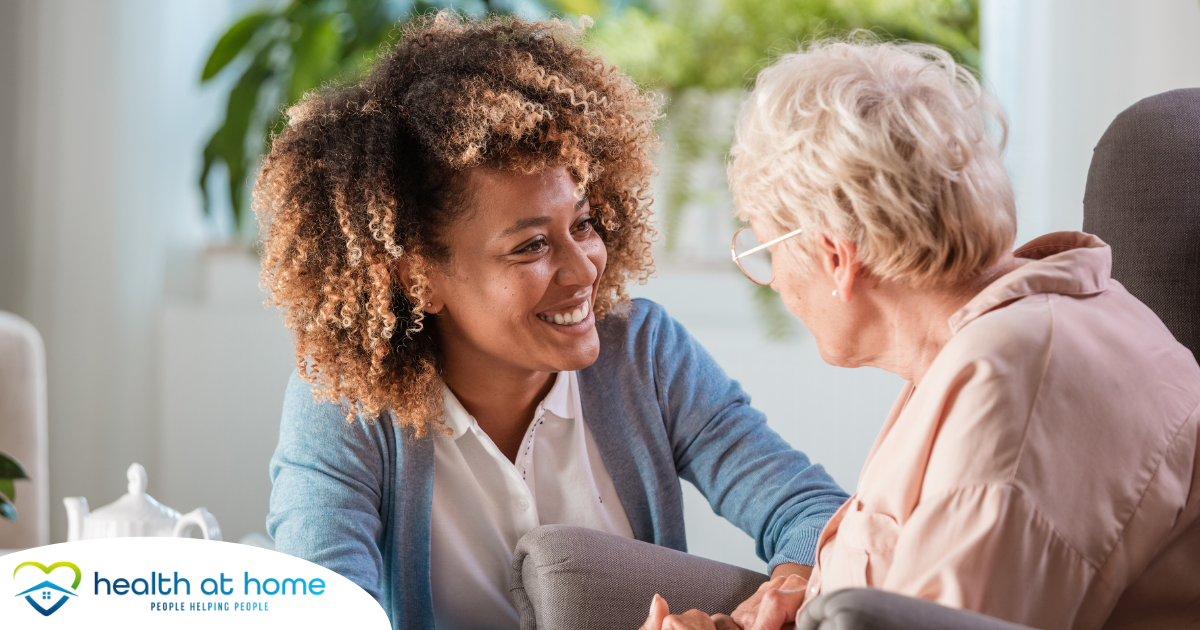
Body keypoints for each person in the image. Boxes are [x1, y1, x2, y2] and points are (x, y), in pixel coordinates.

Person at [258, 12, 849, 630]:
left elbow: (812, 513)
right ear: (419, 278)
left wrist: (777, 601)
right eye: (531, 247)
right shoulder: (346, 404)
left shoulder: (644, 353)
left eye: (584, 225)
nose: (584, 269)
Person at [644, 37, 1200, 630]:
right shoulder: (987, 346)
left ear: (836, 257)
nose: (773, 281)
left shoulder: (1013, 387)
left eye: (765, 248)